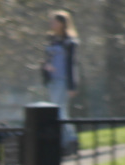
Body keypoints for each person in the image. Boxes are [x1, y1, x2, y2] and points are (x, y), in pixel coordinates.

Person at [42, 10, 79, 154]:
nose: (51, 24)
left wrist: (72, 85)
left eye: (54, 21)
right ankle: (67, 141)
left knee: (60, 111)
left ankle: (69, 140)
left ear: (62, 23)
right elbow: (47, 59)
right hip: (52, 80)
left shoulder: (69, 42)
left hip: (63, 80)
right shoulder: (51, 39)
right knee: (59, 111)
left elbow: (72, 65)